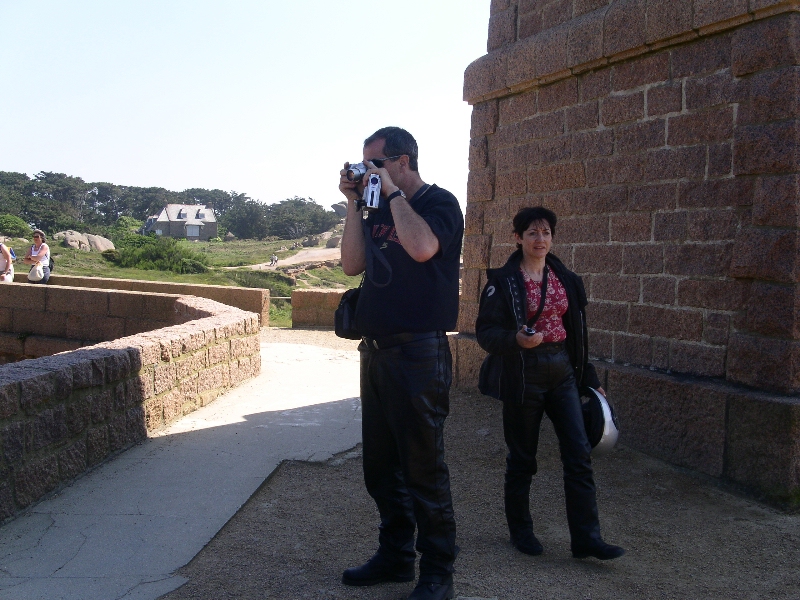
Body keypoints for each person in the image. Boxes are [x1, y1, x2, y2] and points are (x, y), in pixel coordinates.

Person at [338, 127, 463, 600]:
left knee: (423, 470)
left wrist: (391, 194)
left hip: (419, 353)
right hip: (376, 351)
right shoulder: (372, 206)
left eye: (375, 163)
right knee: (380, 468)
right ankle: (395, 556)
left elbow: (422, 248)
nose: (367, 171)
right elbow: (352, 264)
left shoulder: (439, 203)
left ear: (403, 161)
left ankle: (438, 573)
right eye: (364, 164)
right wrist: (354, 202)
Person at [475, 206, 625, 561]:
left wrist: (589, 378)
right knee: (523, 458)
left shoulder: (565, 278)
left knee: (578, 454)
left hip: (562, 371)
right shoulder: (503, 281)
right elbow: (485, 332)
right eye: (532, 233)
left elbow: (577, 333)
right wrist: (515, 339)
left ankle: (587, 539)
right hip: (522, 373)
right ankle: (521, 531)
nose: (540, 239)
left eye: (545, 233)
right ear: (518, 238)